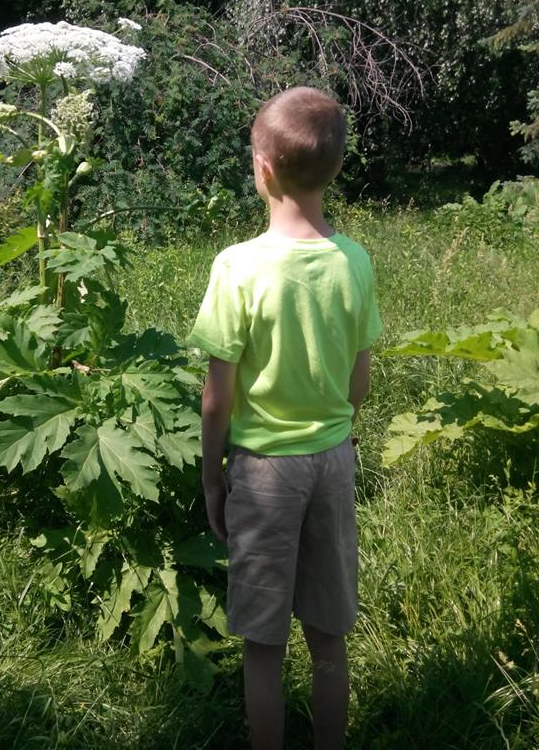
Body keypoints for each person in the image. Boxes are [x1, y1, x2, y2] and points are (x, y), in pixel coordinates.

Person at [188, 87, 382, 750]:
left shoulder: (237, 267)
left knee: (263, 644)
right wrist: (338, 432)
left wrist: (212, 476)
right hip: (332, 461)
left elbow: (217, 398)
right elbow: (359, 380)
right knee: (328, 637)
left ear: (263, 168)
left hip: (264, 472)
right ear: (336, 168)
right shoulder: (354, 261)